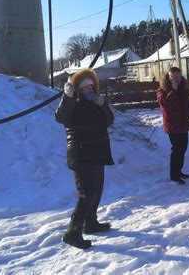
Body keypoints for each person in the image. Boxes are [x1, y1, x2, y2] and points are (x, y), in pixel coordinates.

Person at [55, 69, 114, 249]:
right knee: (86, 193)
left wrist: (103, 104)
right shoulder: (72, 102)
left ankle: (91, 222)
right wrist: (67, 97)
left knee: (97, 190)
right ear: (79, 89)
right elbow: (60, 117)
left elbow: (109, 120)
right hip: (81, 153)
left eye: (91, 87)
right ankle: (73, 232)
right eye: (85, 88)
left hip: (97, 152)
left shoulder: (96, 102)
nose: (89, 90)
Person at [157, 67, 189, 184]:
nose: (177, 80)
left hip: (183, 123)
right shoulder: (162, 91)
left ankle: (179, 171)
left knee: (183, 148)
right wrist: (173, 90)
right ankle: (174, 175)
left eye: (179, 77)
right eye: (174, 77)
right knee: (177, 149)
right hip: (173, 125)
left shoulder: (184, 88)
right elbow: (166, 104)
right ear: (168, 77)